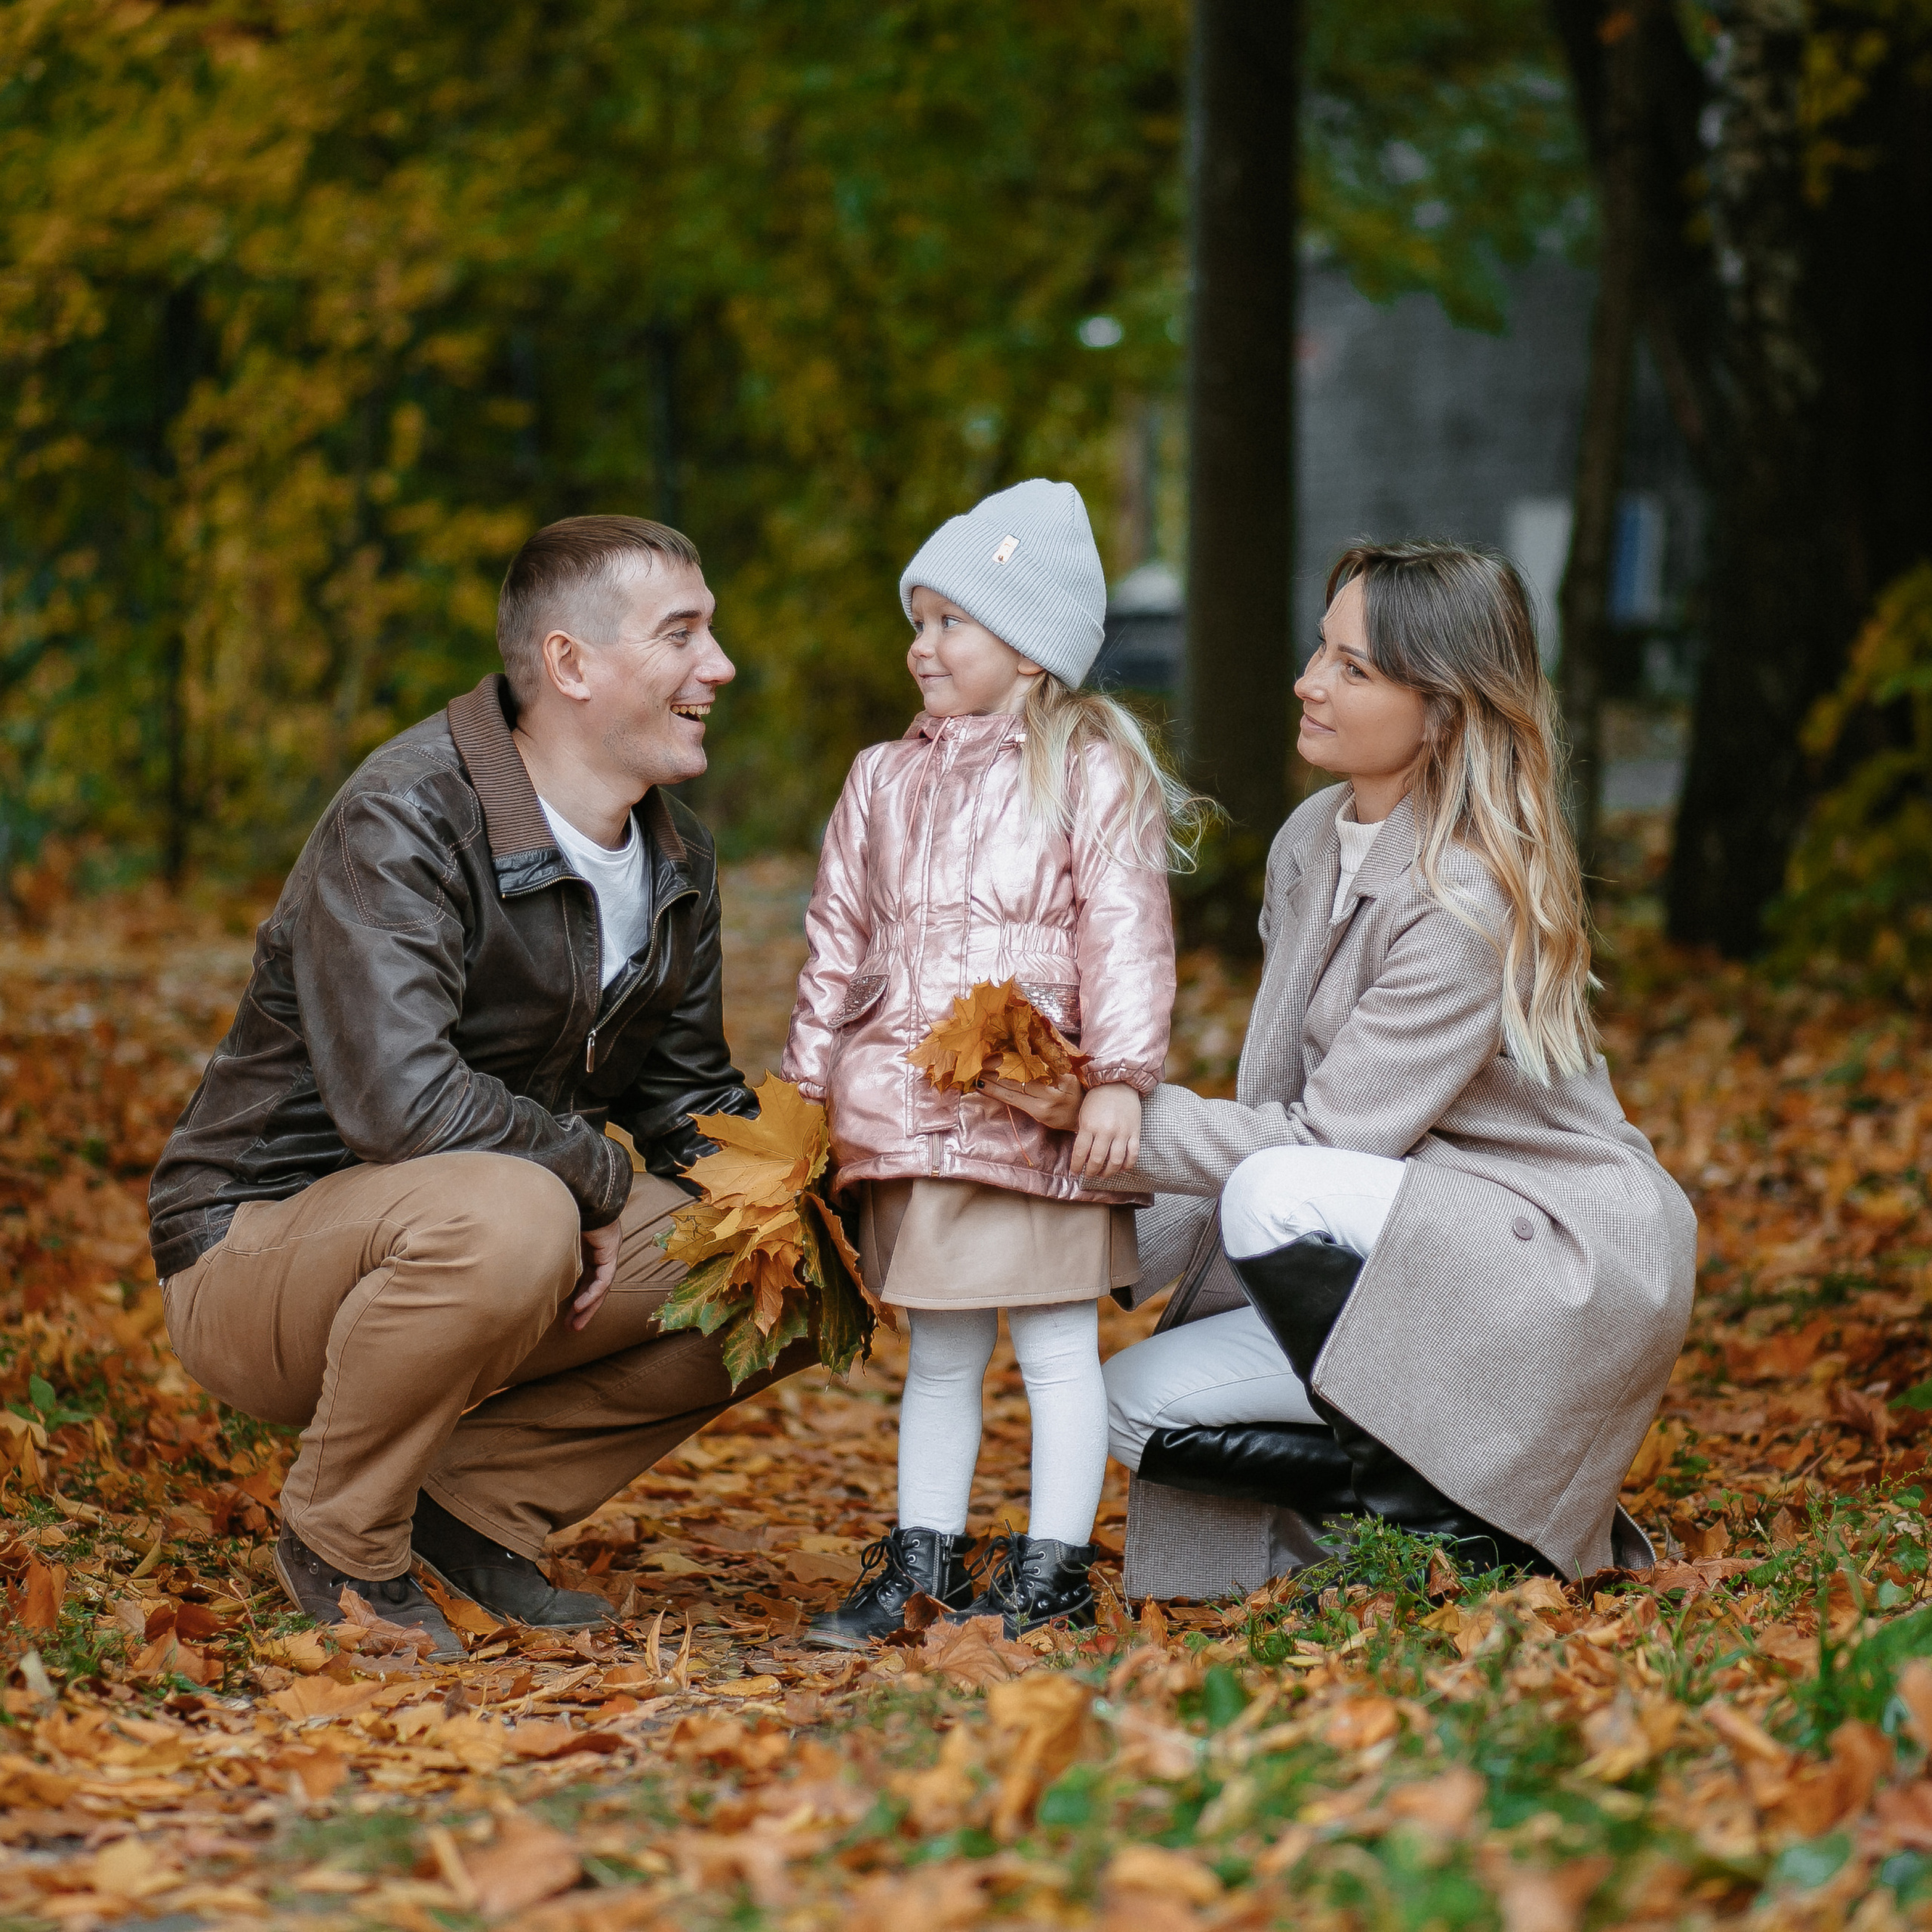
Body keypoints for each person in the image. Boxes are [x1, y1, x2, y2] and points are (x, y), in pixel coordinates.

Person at [148, 515, 816, 1656]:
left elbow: (683, 1098)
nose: (721, 665)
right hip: (257, 1249)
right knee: (516, 1212)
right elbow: (398, 1103)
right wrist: (595, 1179)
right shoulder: (404, 817)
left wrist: (831, 1181)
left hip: (506, 1220)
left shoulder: (676, 857)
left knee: (784, 1262)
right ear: (570, 665)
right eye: (683, 634)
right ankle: (341, 1539)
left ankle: (468, 1514)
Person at [1000, 540, 1697, 1589]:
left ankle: (1483, 1517)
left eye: (1352, 668)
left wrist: (1111, 1115)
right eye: (1319, 651)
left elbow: (1320, 1145)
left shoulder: (1465, 896)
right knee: (1130, 1402)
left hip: (1544, 1256)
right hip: (1400, 1231)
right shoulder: (1312, 840)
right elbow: (1273, 1109)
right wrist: (1049, 1182)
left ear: (1446, 710)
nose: (1307, 683)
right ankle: (1443, 1527)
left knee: (1278, 1192)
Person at [782, 479, 1201, 1643]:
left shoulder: (1086, 765)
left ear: (1029, 650)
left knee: (1059, 1342)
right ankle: (924, 1561)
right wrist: (808, 1093)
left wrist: (1118, 1073)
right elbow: (836, 941)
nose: (921, 647)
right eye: (916, 623)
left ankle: (1053, 1568)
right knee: (944, 1350)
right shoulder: (881, 777)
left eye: (950, 623)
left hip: (1033, 1101)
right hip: (912, 1110)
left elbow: (1124, 924)